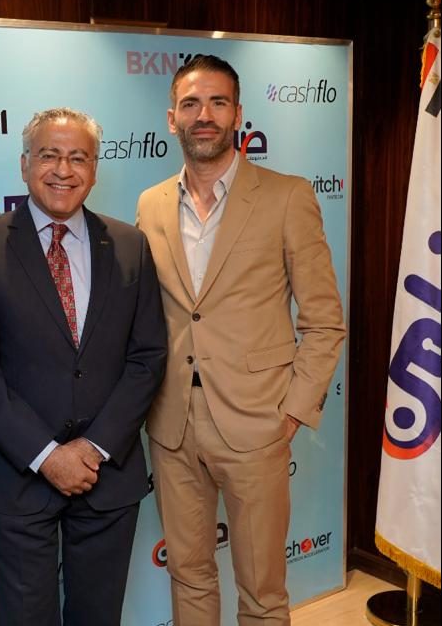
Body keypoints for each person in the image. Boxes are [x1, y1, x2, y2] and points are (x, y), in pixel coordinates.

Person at [136, 55, 346, 626]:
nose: (204, 115)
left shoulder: (287, 197)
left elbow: (324, 320)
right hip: (172, 424)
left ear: (238, 114)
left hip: (258, 421)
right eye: (190, 104)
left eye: (218, 102)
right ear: (172, 118)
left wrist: (294, 410)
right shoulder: (151, 204)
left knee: (262, 591)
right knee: (189, 575)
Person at [0, 107, 167, 626]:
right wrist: (47, 456)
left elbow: (147, 358)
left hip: (108, 475)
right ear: (24, 164)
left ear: (94, 169)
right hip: (19, 477)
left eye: (78, 158)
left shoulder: (131, 245)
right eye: (49, 155)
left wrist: (92, 449)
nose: (63, 170)